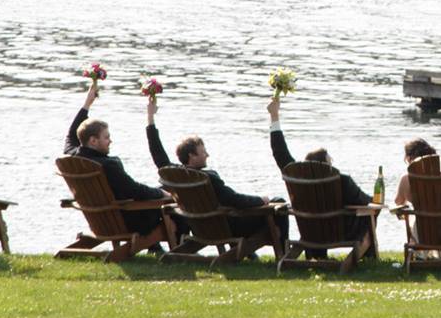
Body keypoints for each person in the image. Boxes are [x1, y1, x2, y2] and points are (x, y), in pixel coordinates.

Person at [145, 98, 288, 252]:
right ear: (192, 156)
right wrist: (262, 200)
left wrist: (150, 118)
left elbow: (158, 154)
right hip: (227, 227)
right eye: (203, 151)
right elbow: (234, 199)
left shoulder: (174, 176)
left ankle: (248, 253)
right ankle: (283, 252)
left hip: (199, 227)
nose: (207, 155)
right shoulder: (207, 178)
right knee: (278, 202)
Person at [267, 96, 372, 258]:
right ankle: (367, 256)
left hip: (310, 233)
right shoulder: (341, 181)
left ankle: (316, 254)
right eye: (330, 162)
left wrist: (274, 116)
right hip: (339, 233)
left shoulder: (297, 178)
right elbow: (365, 201)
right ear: (326, 166)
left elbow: (279, 152)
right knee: (370, 214)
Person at [63, 81, 170, 240]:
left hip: (100, 221)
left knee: (156, 193)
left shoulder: (73, 158)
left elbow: (72, 136)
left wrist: (87, 103)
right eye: (106, 137)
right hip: (126, 221)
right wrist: (162, 193)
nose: (110, 141)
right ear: (93, 141)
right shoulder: (107, 165)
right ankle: (166, 245)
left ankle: (155, 247)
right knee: (164, 200)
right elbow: (134, 190)